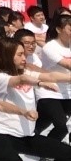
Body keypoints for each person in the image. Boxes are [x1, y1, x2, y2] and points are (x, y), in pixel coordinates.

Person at [0, 35, 71, 161]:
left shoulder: (26, 72)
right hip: (3, 134)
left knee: (68, 153)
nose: (24, 58)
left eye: (24, 54)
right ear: (6, 56)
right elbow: (22, 79)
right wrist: (39, 83)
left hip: (26, 135)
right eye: (19, 55)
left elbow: (51, 76)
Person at [35, 12, 71, 142]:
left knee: (43, 122)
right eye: (70, 29)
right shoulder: (50, 47)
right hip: (49, 91)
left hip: (67, 92)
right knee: (61, 126)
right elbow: (67, 64)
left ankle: (34, 140)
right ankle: (46, 150)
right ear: (59, 29)